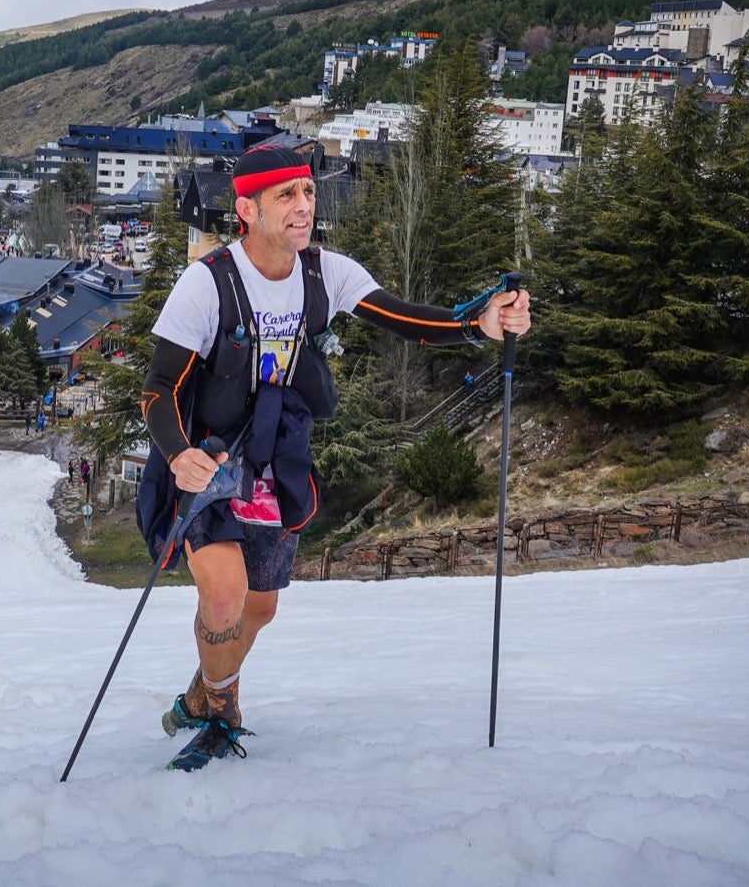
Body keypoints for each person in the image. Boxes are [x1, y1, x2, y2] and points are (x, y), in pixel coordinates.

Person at [136, 144, 530, 769]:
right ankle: (220, 701)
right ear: (246, 208)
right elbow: (160, 389)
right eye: (287, 196)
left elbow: (400, 317)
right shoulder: (206, 283)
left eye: (309, 193)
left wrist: (476, 324)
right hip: (208, 459)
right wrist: (178, 454)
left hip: (276, 459)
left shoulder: (325, 273)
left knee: (260, 608)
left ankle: (201, 693)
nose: (304, 207)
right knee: (222, 598)